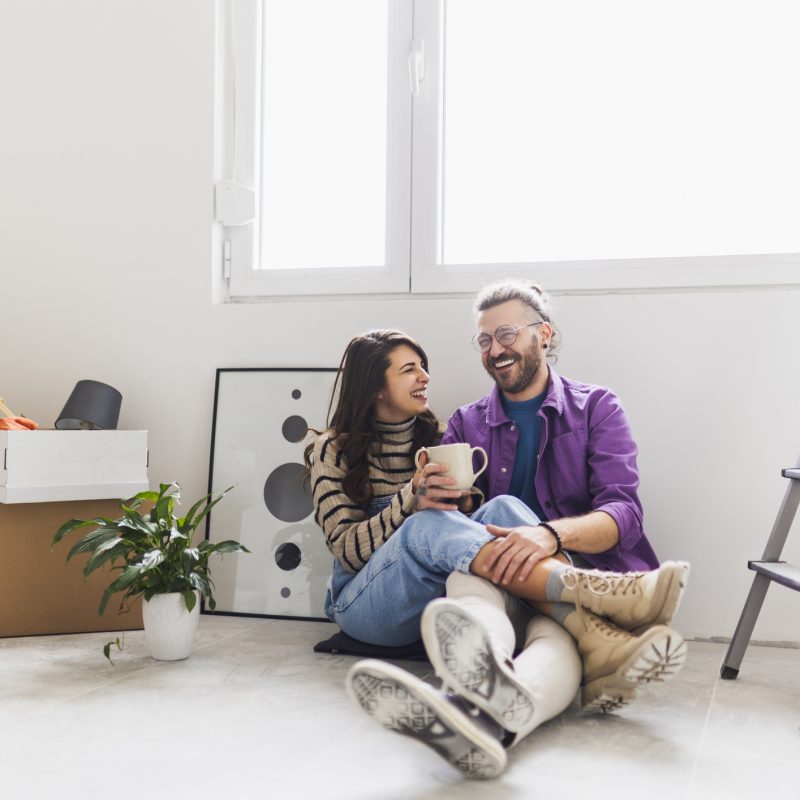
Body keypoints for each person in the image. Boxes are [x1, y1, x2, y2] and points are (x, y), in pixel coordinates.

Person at [307, 325, 689, 779]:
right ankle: (594, 596)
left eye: (424, 366)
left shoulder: (435, 435)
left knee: (504, 507)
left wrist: (462, 502)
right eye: (410, 369)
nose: (425, 377)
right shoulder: (331, 450)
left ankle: (486, 709)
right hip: (365, 603)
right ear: (374, 388)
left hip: (431, 595)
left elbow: (464, 526)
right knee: (425, 523)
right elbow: (349, 551)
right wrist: (411, 499)